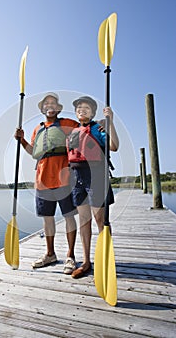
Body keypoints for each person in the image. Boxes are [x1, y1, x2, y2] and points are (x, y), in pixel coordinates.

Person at [15, 92, 79, 275]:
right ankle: (50, 254)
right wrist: (22, 140)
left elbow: (85, 129)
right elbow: (34, 153)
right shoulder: (38, 128)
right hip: (42, 180)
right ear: (43, 109)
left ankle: (70, 256)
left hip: (64, 178)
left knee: (68, 216)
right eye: (46, 104)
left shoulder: (68, 123)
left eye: (53, 103)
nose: (50, 106)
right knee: (47, 219)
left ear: (58, 108)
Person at [66, 96, 119, 279]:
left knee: (100, 220)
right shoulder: (73, 132)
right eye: (79, 107)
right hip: (78, 178)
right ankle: (87, 261)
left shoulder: (99, 128)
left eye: (86, 107)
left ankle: (106, 259)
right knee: (84, 221)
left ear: (93, 112)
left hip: (96, 176)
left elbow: (114, 146)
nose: (82, 109)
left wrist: (110, 122)